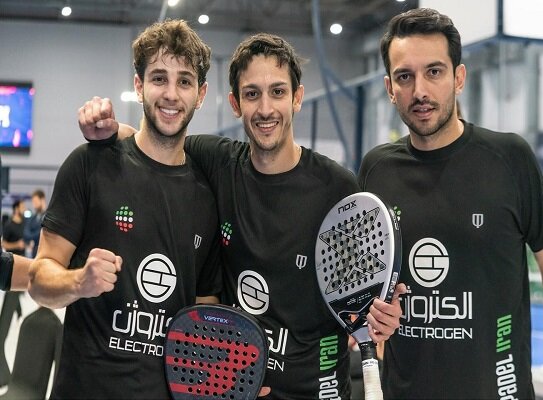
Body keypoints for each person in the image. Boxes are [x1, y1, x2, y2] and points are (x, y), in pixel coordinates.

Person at [79, 33, 404, 400]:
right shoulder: (216, 161)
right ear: (235, 103)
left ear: (297, 97)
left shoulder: (338, 188)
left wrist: (382, 317)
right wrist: (111, 130)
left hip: (316, 391)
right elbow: (157, 144)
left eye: (278, 92)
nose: (265, 109)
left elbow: (365, 296)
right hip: (237, 390)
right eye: (252, 94)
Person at [358, 8, 543, 399]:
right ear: (390, 88)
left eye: (434, 71)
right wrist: (373, 318)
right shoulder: (376, 170)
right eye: (405, 77)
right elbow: (366, 293)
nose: (420, 91)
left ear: (458, 78)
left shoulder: (510, 158)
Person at [28, 19, 222, 399]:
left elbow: (205, 305)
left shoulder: (207, 198)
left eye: (184, 81)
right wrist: (78, 282)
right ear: (139, 86)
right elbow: (38, 279)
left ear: (200, 94)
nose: (171, 94)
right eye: (159, 78)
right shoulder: (89, 164)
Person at [24, 188, 46, 257]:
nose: (34, 205)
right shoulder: (33, 217)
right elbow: (25, 234)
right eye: (33, 202)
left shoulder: (48, 217)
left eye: (36, 201)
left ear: (42, 200)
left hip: (44, 252)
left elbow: (42, 233)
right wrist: (35, 237)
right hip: (34, 253)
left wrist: (32, 238)